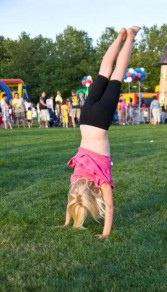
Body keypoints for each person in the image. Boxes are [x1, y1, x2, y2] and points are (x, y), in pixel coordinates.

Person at [64, 26, 141, 238]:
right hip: (86, 117)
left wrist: (105, 234)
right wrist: (67, 221)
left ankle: (131, 36)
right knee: (104, 72)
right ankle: (120, 35)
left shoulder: (102, 181)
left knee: (116, 75)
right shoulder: (76, 179)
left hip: (100, 120)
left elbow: (110, 207)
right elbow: (72, 200)